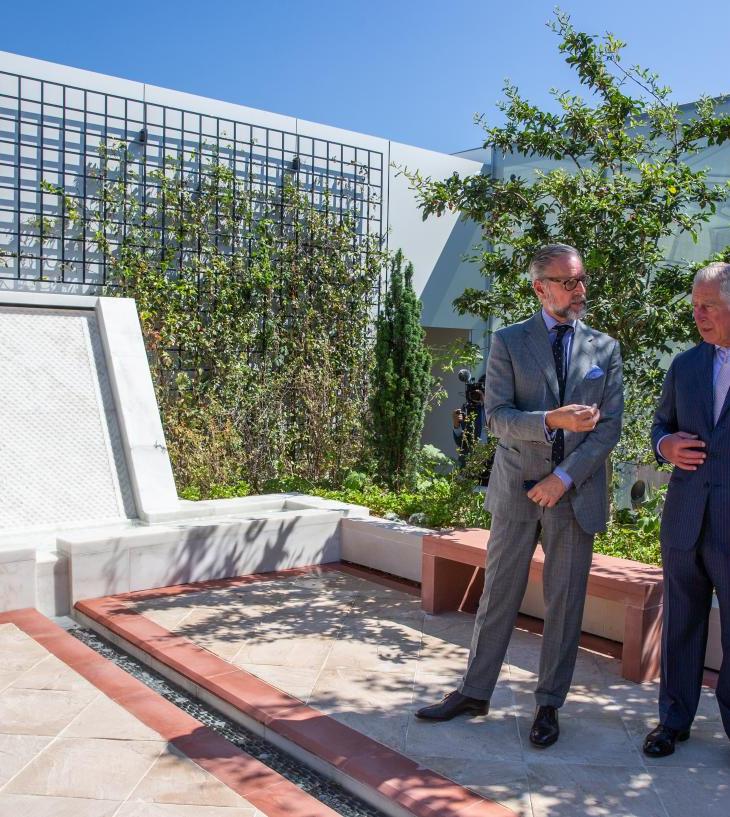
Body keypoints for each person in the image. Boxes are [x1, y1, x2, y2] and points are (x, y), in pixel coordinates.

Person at [416, 243, 624, 748]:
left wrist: (564, 478)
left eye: (581, 280)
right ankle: (474, 690)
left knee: (565, 602)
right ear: (540, 287)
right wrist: (551, 420)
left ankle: (549, 704)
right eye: (568, 282)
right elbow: (497, 419)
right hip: (514, 492)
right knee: (498, 594)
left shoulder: (605, 348)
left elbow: (609, 428)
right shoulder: (508, 341)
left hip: (574, 493)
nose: (580, 291)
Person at [643, 261, 730, 758]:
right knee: (681, 623)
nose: (698, 315)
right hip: (684, 520)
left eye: (709, 306)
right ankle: (672, 721)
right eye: (695, 306)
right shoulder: (685, 365)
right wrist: (665, 446)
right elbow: (660, 426)